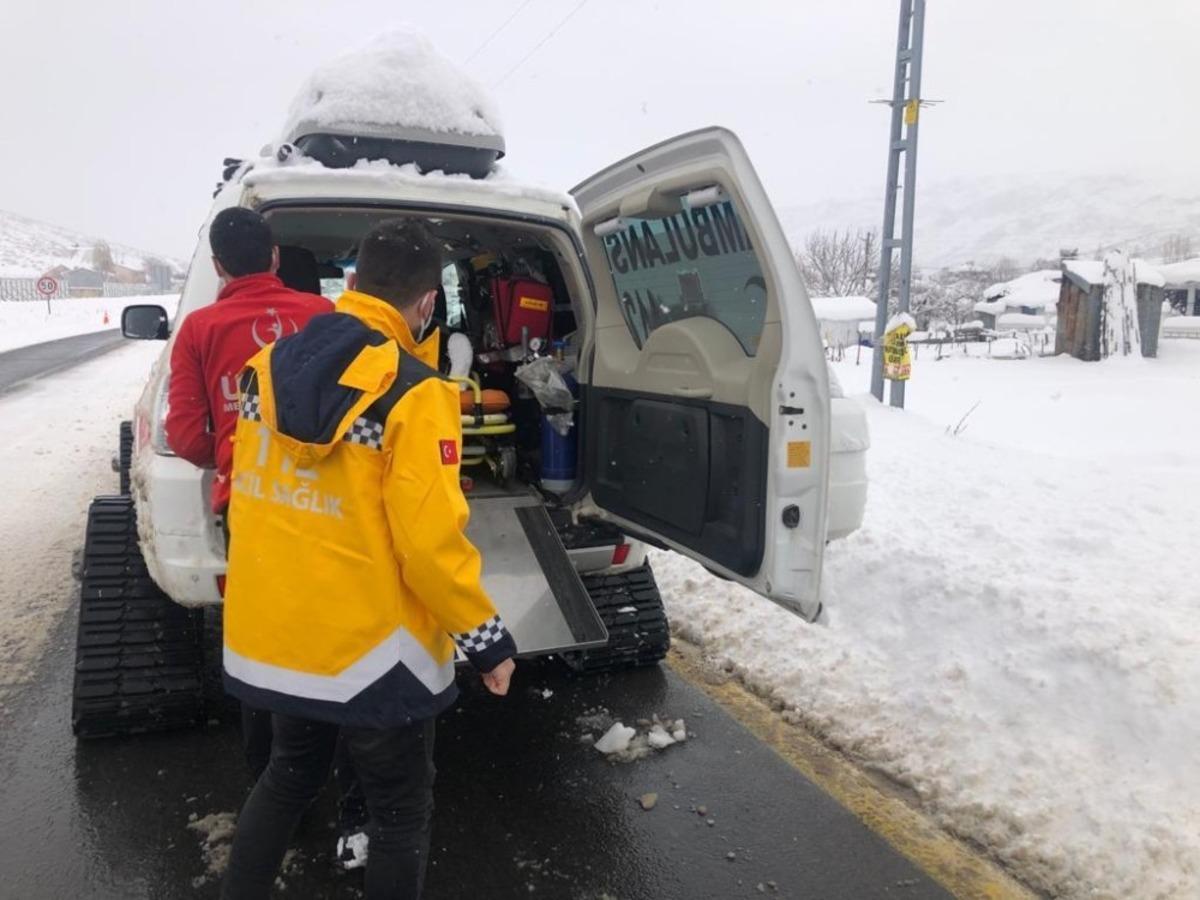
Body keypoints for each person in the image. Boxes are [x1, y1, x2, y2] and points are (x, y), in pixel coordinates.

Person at [219, 218, 517, 900]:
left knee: (289, 776)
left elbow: (254, 499)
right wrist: (486, 641)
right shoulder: (415, 393)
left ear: (351, 284)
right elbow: (429, 546)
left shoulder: (264, 371)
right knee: (398, 812)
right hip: (374, 655)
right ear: (426, 304)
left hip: (279, 638)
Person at [165, 207, 333, 777]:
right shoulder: (323, 314)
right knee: (326, 625)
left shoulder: (199, 329)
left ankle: (274, 772)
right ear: (276, 258)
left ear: (218, 266)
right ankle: (334, 750)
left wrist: (238, 452)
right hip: (328, 502)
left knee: (265, 640)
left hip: (253, 507)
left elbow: (186, 435)